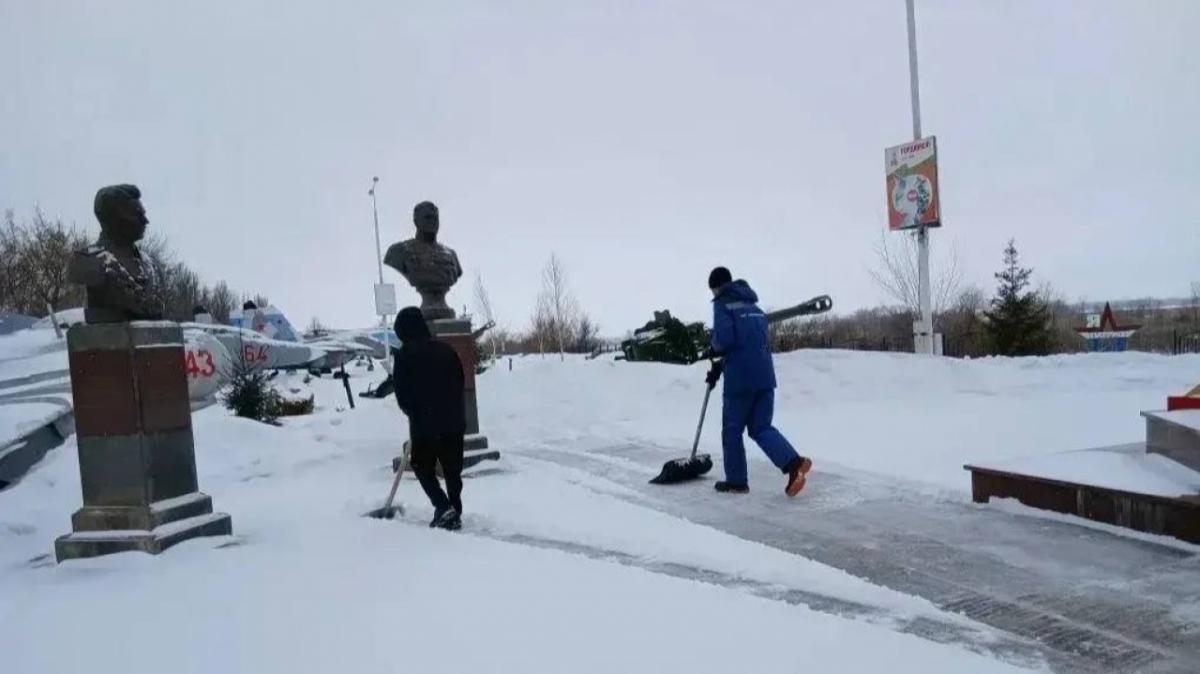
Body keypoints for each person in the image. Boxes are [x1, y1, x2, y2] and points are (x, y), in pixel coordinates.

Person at [705, 266, 812, 496]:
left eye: (713, 290)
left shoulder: (723, 304)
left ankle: (736, 481)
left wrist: (712, 348)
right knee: (760, 427)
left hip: (740, 381)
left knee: (732, 431)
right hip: (765, 377)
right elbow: (748, 344)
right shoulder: (754, 307)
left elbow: (724, 339)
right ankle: (794, 463)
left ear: (717, 287)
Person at [392, 306, 466, 529]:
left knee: (422, 467)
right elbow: (459, 382)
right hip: (453, 422)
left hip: (425, 426)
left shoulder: (404, 356)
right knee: (452, 470)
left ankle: (443, 507)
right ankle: (454, 511)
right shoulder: (446, 350)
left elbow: (402, 394)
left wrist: (413, 412)